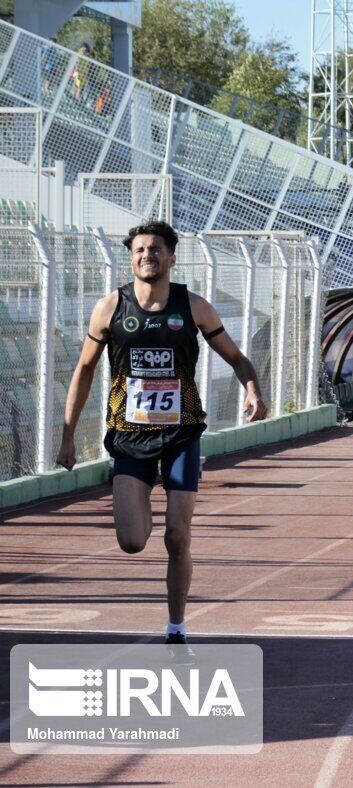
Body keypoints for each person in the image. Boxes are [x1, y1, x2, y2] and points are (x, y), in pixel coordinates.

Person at [56, 220, 266, 663]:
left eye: (154, 249)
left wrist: (252, 389)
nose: (146, 255)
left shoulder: (193, 307)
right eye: (138, 249)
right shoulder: (110, 308)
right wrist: (68, 435)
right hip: (130, 436)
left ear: (171, 258)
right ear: (130, 257)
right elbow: (85, 370)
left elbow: (236, 357)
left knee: (177, 534)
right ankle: (142, 498)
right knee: (132, 542)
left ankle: (175, 629)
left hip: (181, 434)